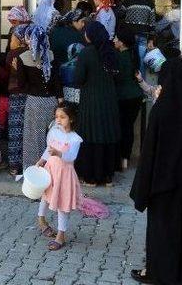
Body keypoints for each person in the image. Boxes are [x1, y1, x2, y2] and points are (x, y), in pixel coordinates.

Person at [129, 57, 182, 285]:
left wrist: (142, 190)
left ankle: (159, 273)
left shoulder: (161, 111)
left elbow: (149, 154)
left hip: (163, 187)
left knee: (164, 231)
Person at [74, 22, 121, 186]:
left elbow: (78, 78)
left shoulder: (86, 53)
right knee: (106, 135)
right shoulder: (112, 52)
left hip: (91, 101)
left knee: (90, 136)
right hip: (109, 100)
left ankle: (90, 177)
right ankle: (107, 176)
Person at [36, 102, 83, 251]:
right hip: (51, 169)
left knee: (62, 204)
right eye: (56, 116)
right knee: (45, 195)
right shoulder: (54, 131)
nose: (58, 120)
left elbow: (71, 156)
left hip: (64, 174)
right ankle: (41, 219)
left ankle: (61, 235)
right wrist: (41, 161)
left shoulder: (75, 139)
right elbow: (48, 149)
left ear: (72, 119)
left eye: (62, 117)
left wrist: (59, 153)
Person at [15, 25, 62, 171]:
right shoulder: (52, 56)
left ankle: (33, 169)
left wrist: (17, 70)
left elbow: (21, 85)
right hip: (52, 102)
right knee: (52, 137)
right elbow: (57, 81)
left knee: (34, 138)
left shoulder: (23, 57)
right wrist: (60, 99)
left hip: (34, 102)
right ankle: (52, 169)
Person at [114, 27, 143, 171]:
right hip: (135, 96)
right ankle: (125, 159)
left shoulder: (118, 57)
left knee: (120, 128)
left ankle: (120, 159)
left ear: (122, 42)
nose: (114, 40)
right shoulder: (134, 55)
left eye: (116, 38)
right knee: (128, 128)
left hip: (123, 97)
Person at [6, 24, 30, 176]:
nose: (10, 41)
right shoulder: (30, 53)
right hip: (29, 95)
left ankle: (15, 166)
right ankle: (28, 163)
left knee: (15, 131)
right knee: (27, 130)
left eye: (12, 38)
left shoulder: (12, 55)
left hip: (15, 95)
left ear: (20, 40)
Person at [122, 0, 156, 73]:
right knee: (141, 62)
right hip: (143, 36)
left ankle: (129, 83)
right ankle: (141, 84)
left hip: (129, 36)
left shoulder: (128, 1)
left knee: (129, 60)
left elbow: (120, 15)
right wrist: (151, 39)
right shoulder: (149, 2)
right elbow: (152, 23)